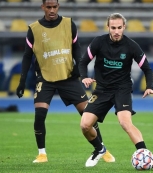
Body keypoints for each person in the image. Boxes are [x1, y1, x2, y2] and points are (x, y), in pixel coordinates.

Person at [16, 0, 114, 163]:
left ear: (58, 6)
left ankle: (102, 149)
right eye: (49, 7)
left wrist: (81, 72)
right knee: (39, 115)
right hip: (45, 77)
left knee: (87, 115)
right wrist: (22, 80)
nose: (52, 10)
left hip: (68, 76)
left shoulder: (69, 24)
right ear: (43, 7)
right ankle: (42, 154)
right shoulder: (34, 29)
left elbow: (77, 48)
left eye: (55, 7)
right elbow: (27, 56)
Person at [78, 12, 153, 167]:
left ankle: (145, 156)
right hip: (102, 89)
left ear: (124, 27)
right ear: (108, 27)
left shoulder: (131, 45)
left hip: (122, 89)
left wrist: (149, 87)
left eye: (119, 27)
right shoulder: (98, 42)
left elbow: (147, 68)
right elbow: (83, 62)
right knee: (85, 125)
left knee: (125, 123)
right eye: (113, 27)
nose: (116, 31)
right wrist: (84, 77)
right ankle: (99, 149)